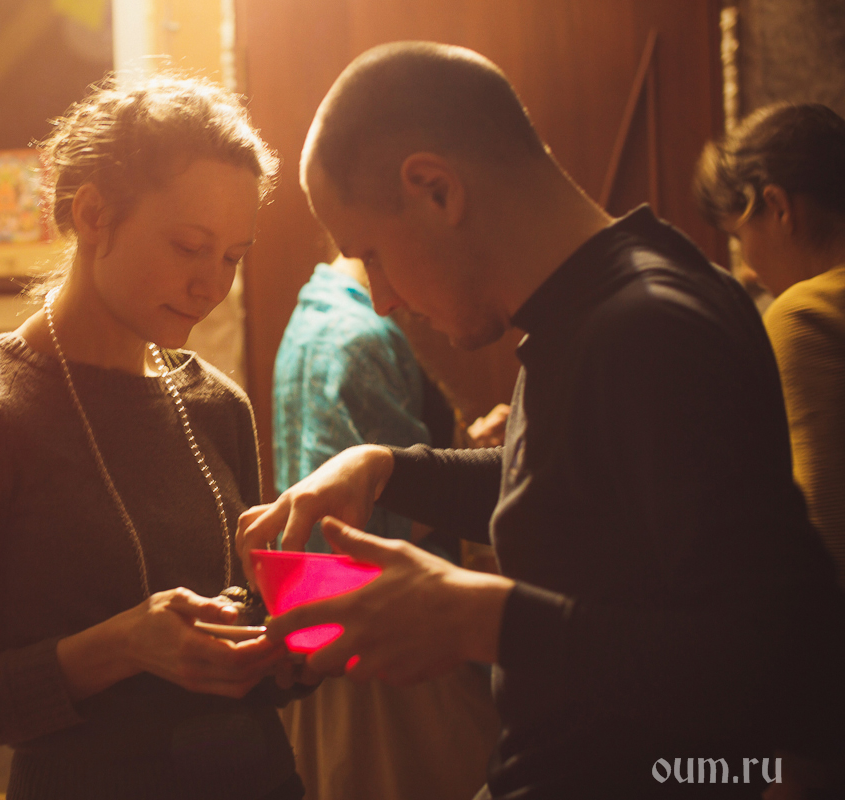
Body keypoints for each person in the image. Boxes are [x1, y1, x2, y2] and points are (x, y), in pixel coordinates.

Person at [237, 42, 845, 798]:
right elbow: (578, 490)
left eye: (373, 254)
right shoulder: (589, 306)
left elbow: (789, 670)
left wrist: (480, 620)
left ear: (436, 190)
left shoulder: (649, 328)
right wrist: (387, 469)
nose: (383, 299)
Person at [0, 74, 308, 799]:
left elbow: (245, 648)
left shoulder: (216, 405)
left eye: (232, 256)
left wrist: (296, 648)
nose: (211, 286)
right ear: (94, 214)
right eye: (189, 246)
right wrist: (118, 647)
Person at [272, 253, 500, 800]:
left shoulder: (313, 312)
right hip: (389, 660)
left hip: (341, 637)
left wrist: (470, 454)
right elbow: (362, 527)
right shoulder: (358, 338)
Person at [695, 102, 845, 589]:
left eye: (740, 237)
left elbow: (824, 541)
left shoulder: (805, 315)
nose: (748, 270)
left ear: (778, 206)